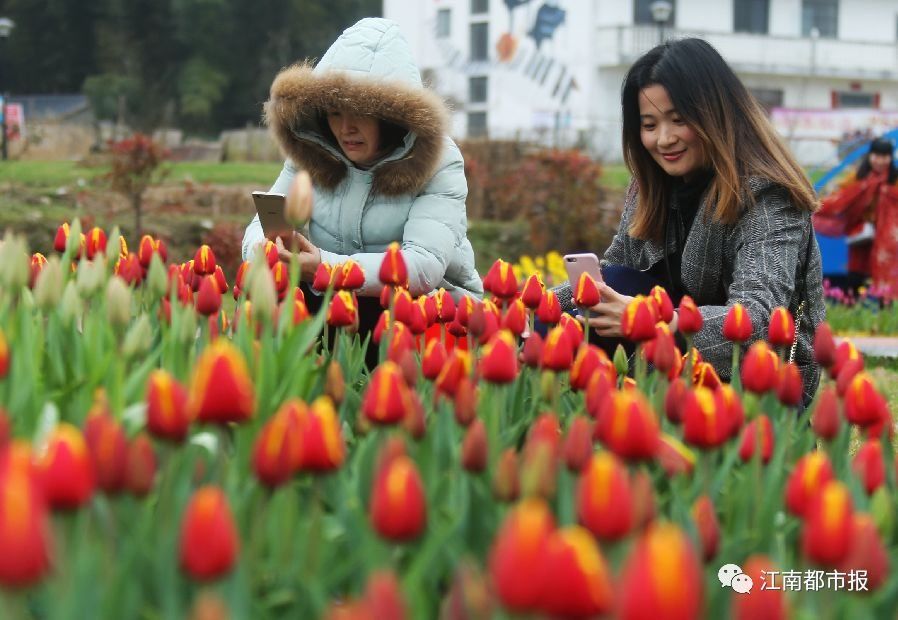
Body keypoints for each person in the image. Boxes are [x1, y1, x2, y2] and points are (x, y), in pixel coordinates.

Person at [555, 38, 825, 404]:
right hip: (667, 362)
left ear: (715, 114)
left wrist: (647, 320)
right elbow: (614, 272)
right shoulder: (652, 188)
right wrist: (531, 303)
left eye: (678, 120)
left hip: (754, 382)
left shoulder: (768, 195)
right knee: (592, 298)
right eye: (649, 125)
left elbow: (757, 320)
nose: (663, 139)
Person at [241, 17, 483, 358]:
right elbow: (258, 225)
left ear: (394, 116)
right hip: (337, 303)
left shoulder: (437, 161)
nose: (345, 128)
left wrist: (325, 266)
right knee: (269, 308)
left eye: (361, 113)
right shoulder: (312, 150)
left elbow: (423, 266)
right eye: (335, 112)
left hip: (430, 312)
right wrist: (267, 253)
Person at [813, 137, 898, 295]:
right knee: (855, 278)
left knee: (884, 280)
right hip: (861, 234)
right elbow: (840, 197)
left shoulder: (895, 180)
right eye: (876, 156)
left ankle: (882, 315)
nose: (880, 161)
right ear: (870, 156)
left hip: (885, 240)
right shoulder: (858, 177)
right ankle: (853, 308)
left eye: (884, 156)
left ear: (890, 158)